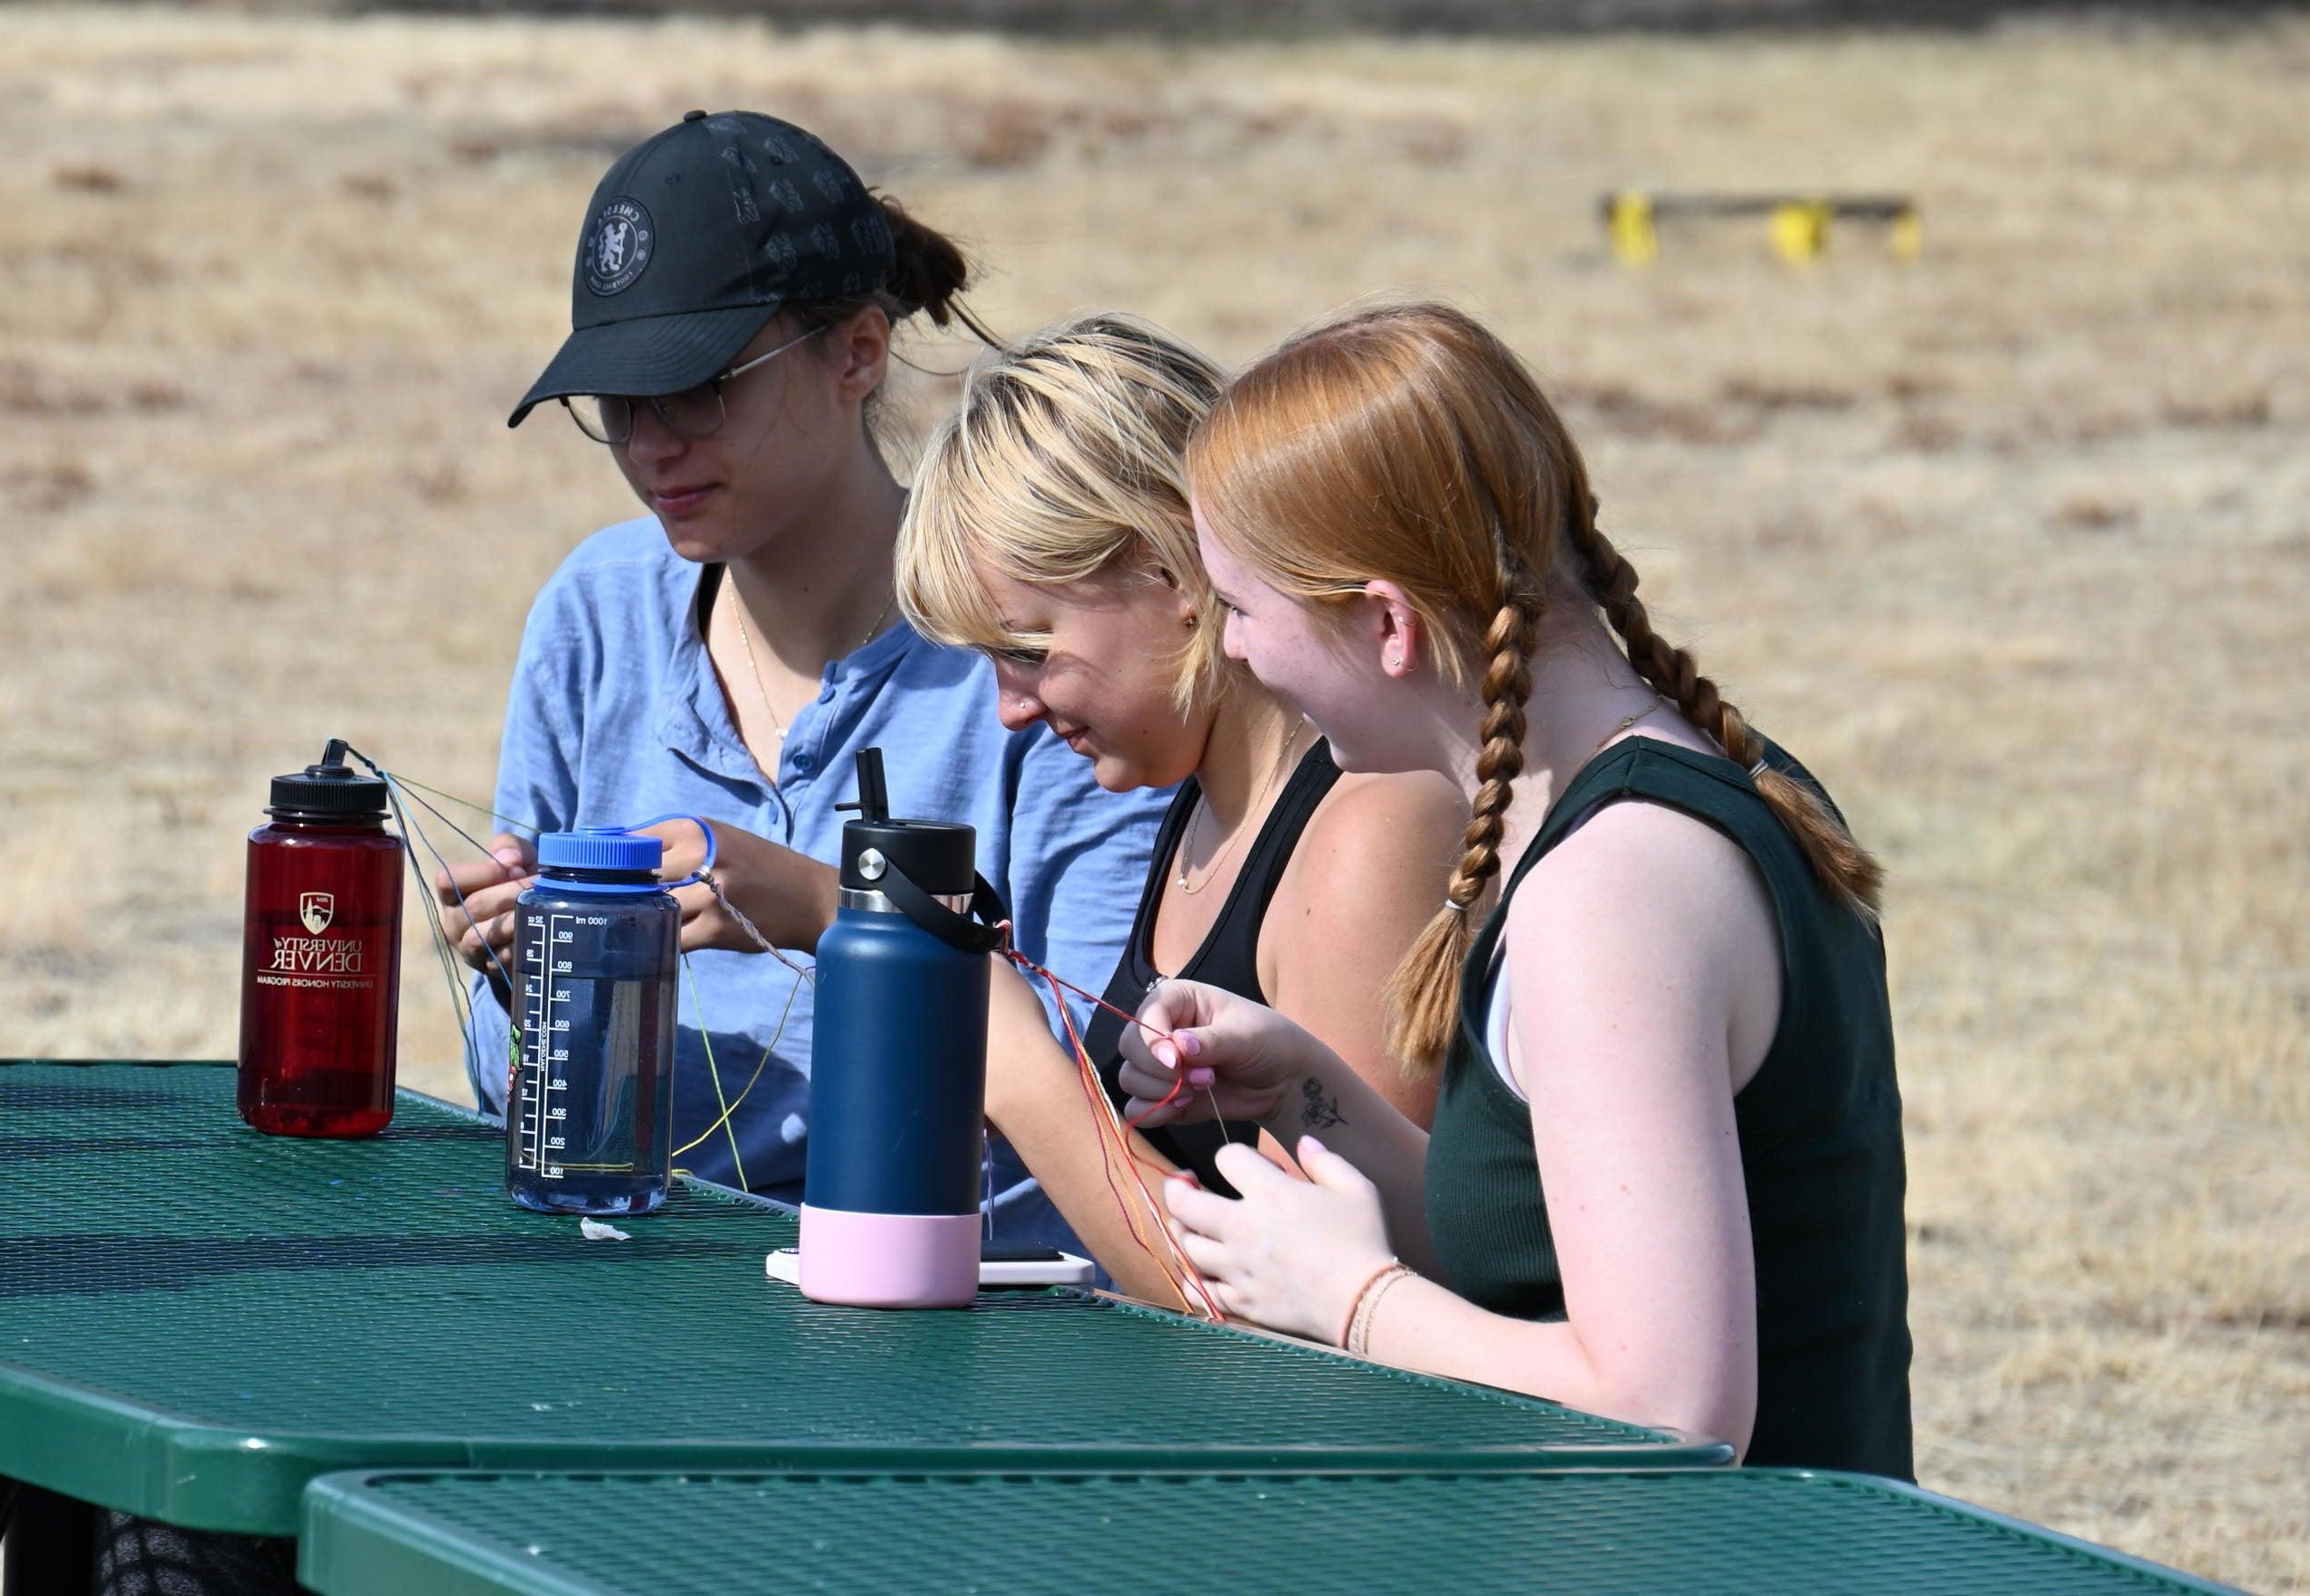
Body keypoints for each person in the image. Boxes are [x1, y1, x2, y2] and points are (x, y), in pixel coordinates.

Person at [1122, 302, 1911, 1475]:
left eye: (1241, 609)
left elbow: (1669, 1407)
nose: (1229, 652)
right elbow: (1553, 1249)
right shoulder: (1678, 788)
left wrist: (1348, 1300)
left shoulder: (1612, 889)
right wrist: (1303, 1089)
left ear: (1385, 621)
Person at [442, 110, 1162, 1229]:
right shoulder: (595, 613)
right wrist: (521, 966)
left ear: (858, 353)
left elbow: (1097, 1097)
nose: (649, 444)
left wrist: (838, 915)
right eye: (619, 402)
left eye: (698, 387)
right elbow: (515, 1092)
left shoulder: (1022, 650)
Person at [891, 314, 1458, 1307]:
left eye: (1027, 649)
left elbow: (1320, 1310)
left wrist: (1021, 1071)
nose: (1009, 711)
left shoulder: (1368, 827)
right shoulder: (1201, 803)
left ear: (1169, 568)